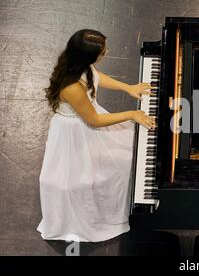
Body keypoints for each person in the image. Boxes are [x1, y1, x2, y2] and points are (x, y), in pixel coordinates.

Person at [37, 29, 154, 242]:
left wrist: (128, 87)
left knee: (127, 153)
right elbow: (93, 121)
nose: (106, 53)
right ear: (87, 56)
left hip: (88, 116)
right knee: (93, 174)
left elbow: (96, 77)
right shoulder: (72, 87)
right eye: (102, 52)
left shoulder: (79, 65)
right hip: (77, 130)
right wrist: (132, 114)